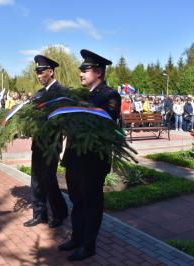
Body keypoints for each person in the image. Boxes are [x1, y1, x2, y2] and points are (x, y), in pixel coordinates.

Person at [59, 49, 121, 261]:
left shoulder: (109, 95)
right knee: (76, 200)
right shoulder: (79, 95)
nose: (81, 73)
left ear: (99, 72)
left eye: (85, 69)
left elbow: (104, 120)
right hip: (74, 158)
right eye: (81, 69)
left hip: (93, 161)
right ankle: (76, 237)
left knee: (91, 203)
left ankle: (88, 245)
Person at [23, 55, 68, 228]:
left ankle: (59, 213)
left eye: (41, 71)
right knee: (36, 179)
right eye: (37, 72)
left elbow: (62, 118)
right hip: (39, 142)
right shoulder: (39, 93)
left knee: (49, 179)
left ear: (51, 71)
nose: (39, 75)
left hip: (52, 143)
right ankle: (39, 214)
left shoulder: (60, 91)